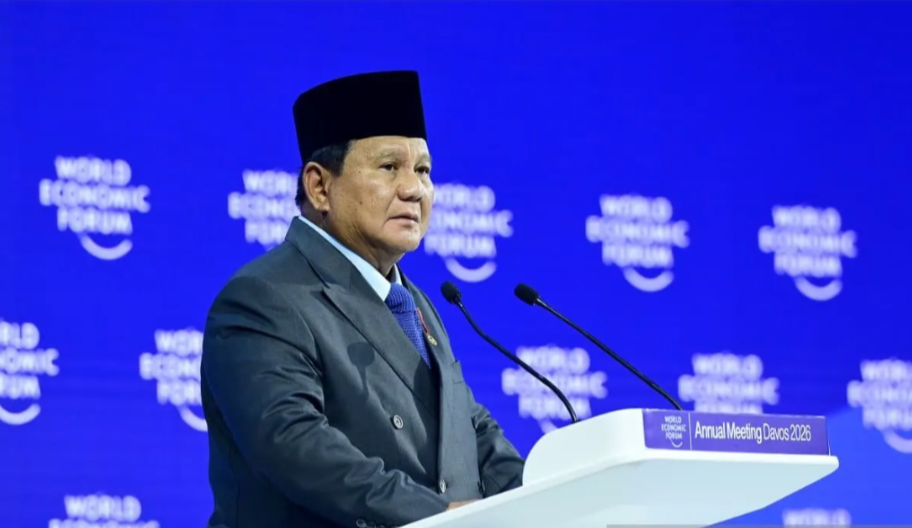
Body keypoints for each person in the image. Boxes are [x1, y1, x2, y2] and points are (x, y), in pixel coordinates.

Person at [200, 70, 525, 528]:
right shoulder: (262, 298)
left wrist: (547, 498)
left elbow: (467, 428)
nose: (413, 189)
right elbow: (296, 444)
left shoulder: (415, 303)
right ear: (319, 187)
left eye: (423, 170)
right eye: (389, 167)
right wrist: (435, 517)